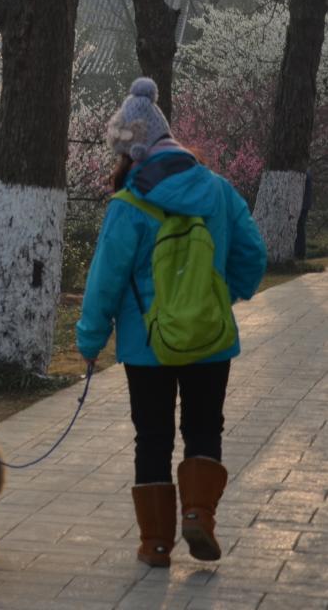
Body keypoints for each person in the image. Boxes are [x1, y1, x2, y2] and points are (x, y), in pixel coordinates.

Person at [76, 77, 266, 569]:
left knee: (153, 437)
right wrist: (222, 296)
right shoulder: (219, 190)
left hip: (147, 345)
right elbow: (253, 255)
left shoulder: (128, 205)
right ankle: (199, 514)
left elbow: (105, 280)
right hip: (210, 337)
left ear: (132, 151)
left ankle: (156, 544)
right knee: (204, 427)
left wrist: (91, 339)